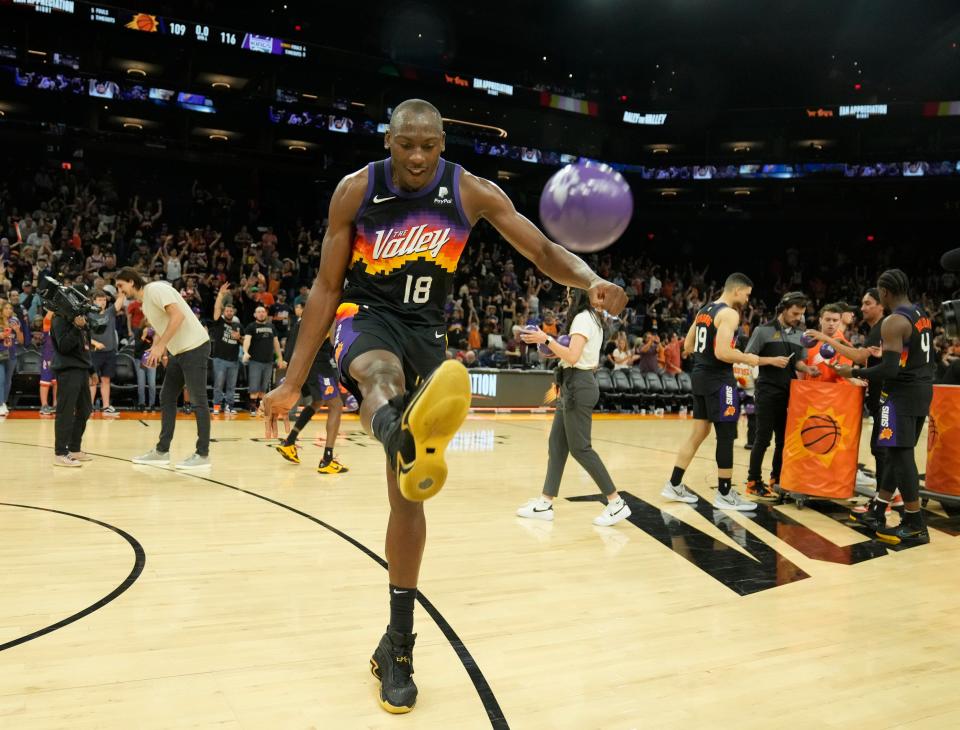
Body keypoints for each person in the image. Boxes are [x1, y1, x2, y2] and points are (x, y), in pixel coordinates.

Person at [261, 98, 626, 714]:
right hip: (367, 318)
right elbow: (326, 288)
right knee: (380, 375)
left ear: (442, 144)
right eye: (407, 145)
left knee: (409, 496)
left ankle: (396, 644)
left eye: (428, 146)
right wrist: (293, 380)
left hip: (427, 336)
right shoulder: (356, 192)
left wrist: (589, 280)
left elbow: (539, 250)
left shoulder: (471, 192)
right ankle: (397, 425)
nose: (417, 157)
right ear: (388, 141)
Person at [661, 273, 791, 510]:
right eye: (747, 295)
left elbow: (688, 346)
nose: (748, 300)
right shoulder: (729, 313)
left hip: (699, 377)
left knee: (698, 433)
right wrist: (751, 358)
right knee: (726, 435)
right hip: (719, 380)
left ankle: (674, 483)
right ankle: (724, 493)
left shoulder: (704, 310)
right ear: (737, 291)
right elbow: (722, 353)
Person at [516, 288, 631, 525]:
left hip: (578, 385)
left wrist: (545, 339)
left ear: (578, 296)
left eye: (569, 294)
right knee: (557, 444)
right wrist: (550, 348)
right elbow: (570, 354)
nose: (566, 298)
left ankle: (616, 502)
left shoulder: (582, 318)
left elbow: (573, 356)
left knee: (581, 448)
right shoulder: (593, 318)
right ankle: (545, 503)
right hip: (572, 384)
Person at [835, 270, 934, 545]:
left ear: (885, 293)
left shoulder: (893, 322)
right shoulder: (921, 314)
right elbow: (906, 357)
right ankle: (878, 510)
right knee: (895, 453)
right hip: (922, 390)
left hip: (901, 395)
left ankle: (914, 524)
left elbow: (890, 369)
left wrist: (853, 371)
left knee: (901, 457)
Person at [116, 268, 213, 469]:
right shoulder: (146, 304)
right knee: (167, 396)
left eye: (120, 286)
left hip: (195, 347)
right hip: (179, 351)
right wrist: (157, 348)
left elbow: (177, 317)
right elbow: (163, 328)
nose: (119, 291)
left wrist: (161, 347)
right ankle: (162, 451)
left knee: (198, 400)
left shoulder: (156, 289)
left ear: (131, 282)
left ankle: (203, 454)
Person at [744, 292, 822, 498]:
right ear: (783, 309)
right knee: (762, 439)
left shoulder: (800, 334)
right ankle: (753, 481)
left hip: (789, 392)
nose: (798, 317)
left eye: (801, 314)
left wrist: (808, 368)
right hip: (767, 391)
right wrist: (771, 360)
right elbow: (748, 358)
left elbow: (797, 361)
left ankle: (776, 479)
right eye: (795, 313)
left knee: (783, 440)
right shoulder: (763, 330)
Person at [273, 304, 348, 474]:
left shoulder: (305, 318)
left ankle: (289, 443)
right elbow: (332, 341)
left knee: (318, 401)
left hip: (305, 365)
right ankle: (327, 460)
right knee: (336, 405)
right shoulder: (327, 313)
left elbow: (293, 344)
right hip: (319, 364)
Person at [50, 308, 95, 467]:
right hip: (68, 370)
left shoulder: (81, 319)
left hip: (82, 369)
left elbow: (86, 347)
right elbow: (63, 347)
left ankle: (74, 448)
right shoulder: (59, 319)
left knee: (85, 409)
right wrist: (76, 328)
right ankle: (60, 453)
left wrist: (92, 370)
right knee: (65, 411)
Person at [89, 288, 125, 416]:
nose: (102, 302)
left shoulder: (110, 312)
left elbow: (120, 302)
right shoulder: (89, 315)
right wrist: (95, 343)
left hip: (109, 352)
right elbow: (84, 335)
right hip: (94, 352)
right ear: (93, 301)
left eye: (104, 300)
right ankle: (89, 406)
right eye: (99, 300)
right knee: (93, 380)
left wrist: (122, 291)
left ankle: (106, 406)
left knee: (106, 380)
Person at [242, 305, 285, 416]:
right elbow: (247, 340)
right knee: (254, 386)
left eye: (263, 311)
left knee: (264, 387)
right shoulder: (251, 326)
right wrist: (245, 352)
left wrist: (280, 357)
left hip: (268, 362)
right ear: (255, 314)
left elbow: (276, 343)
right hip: (255, 361)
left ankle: (260, 407)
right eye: (259, 312)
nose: (261, 313)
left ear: (265, 314)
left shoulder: (271, 327)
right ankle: (252, 407)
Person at [209, 283, 242, 415]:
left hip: (234, 360)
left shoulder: (238, 325)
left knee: (231, 386)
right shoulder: (219, 323)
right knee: (218, 385)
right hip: (220, 359)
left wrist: (239, 338)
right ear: (224, 313)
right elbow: (216, 308)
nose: (229, 312)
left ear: (233, 313)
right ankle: (216, 406)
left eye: (231, 311)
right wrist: (220, 295)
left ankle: (229, 406)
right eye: (227, 310)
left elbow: (244, 340)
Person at [0, 301, 25, 417]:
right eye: (6, 308)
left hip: (11, 354)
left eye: (10, 308)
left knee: (8, 381)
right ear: (1, 310)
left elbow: (21, 341)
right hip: (0, 353)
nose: (9, 310)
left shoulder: (15, 321)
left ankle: (3, 402)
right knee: (1, 379)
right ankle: (0, 404)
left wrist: (18, 331)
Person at [39, 309, 57, 415]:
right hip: (48, 355)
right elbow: (48, 317)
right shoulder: (47, 324)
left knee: (57, 382)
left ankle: (56, 404)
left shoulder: (61, 326)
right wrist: (54, 306)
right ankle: (44, 405)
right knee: (45, 381)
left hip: (59, 355)